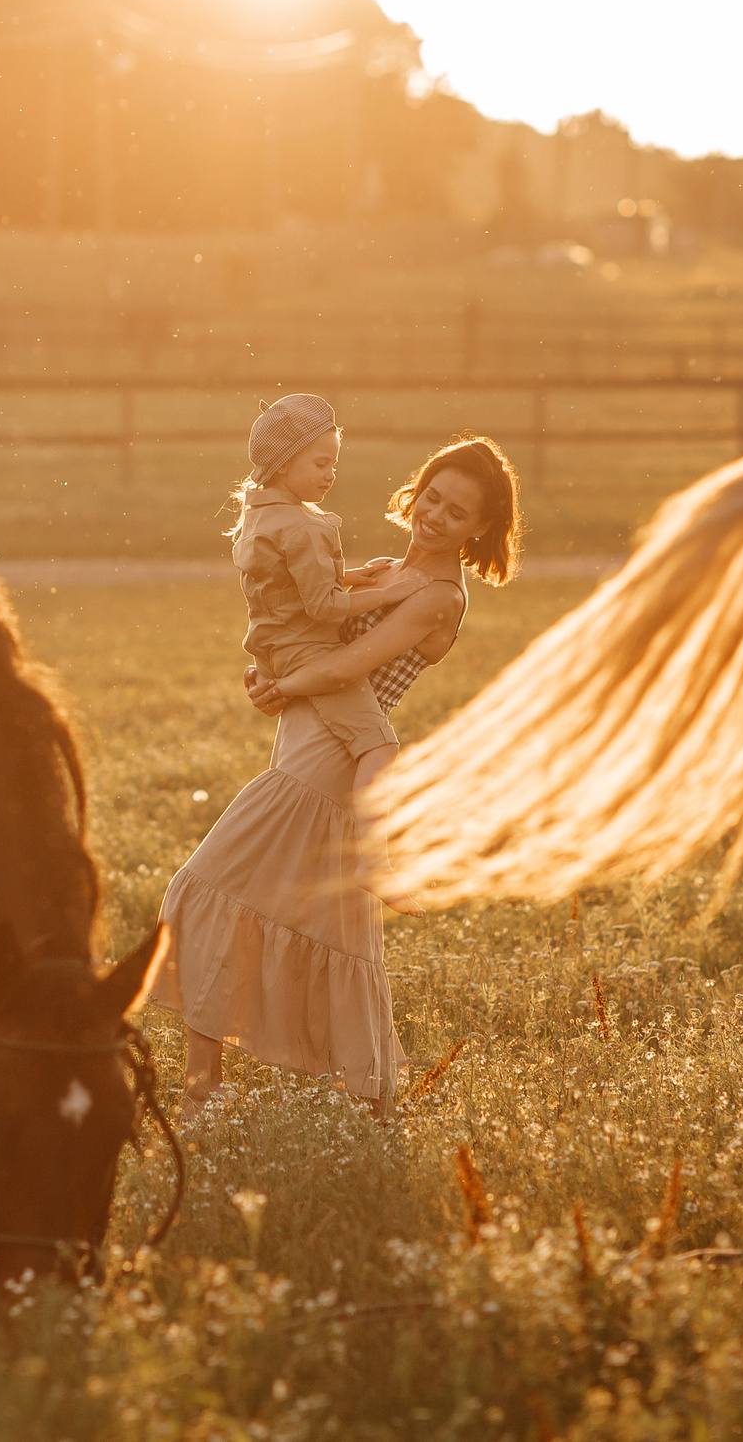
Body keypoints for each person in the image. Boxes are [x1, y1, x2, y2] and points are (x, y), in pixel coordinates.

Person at [150, 437, 523, 1116]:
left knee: (202, 890)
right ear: (417, 490)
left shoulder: (441, 595)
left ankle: (203, 1088)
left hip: (330, 763)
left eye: (456, 511)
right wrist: (269, 675)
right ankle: (364, 1102)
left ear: (479, 529)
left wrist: (285, 683)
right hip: (307, 742)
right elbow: (306, 627)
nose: (436, 515)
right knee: (328, 928)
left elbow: (352, 669)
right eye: (433, 497)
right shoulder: (383, 567)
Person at [229, 395, 431, 793]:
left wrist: (353, 575)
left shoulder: (259, 514)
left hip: (268, 650)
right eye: (321, 464)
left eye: (334, 464)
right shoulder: (305, 526)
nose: (331, 475)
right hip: (307, 652)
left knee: (299, 758)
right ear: (284, 462)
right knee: (380, 747)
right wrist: (392, 594)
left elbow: (290, 582)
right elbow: (324, 607)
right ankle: (364, 844)